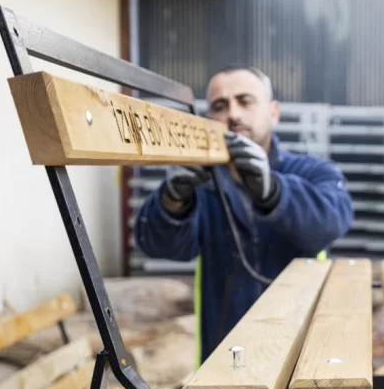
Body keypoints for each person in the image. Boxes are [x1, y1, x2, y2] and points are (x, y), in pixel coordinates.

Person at [134, 66, 353, 364]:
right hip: (226, 355)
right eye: (219, 106)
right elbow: (159, 246)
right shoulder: (200, 185)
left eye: (245, 101)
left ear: (273, 113)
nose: (233, 114)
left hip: (304, 351)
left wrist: (274, 191)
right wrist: (172, 199)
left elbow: (332, 221)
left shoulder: (313, 172)